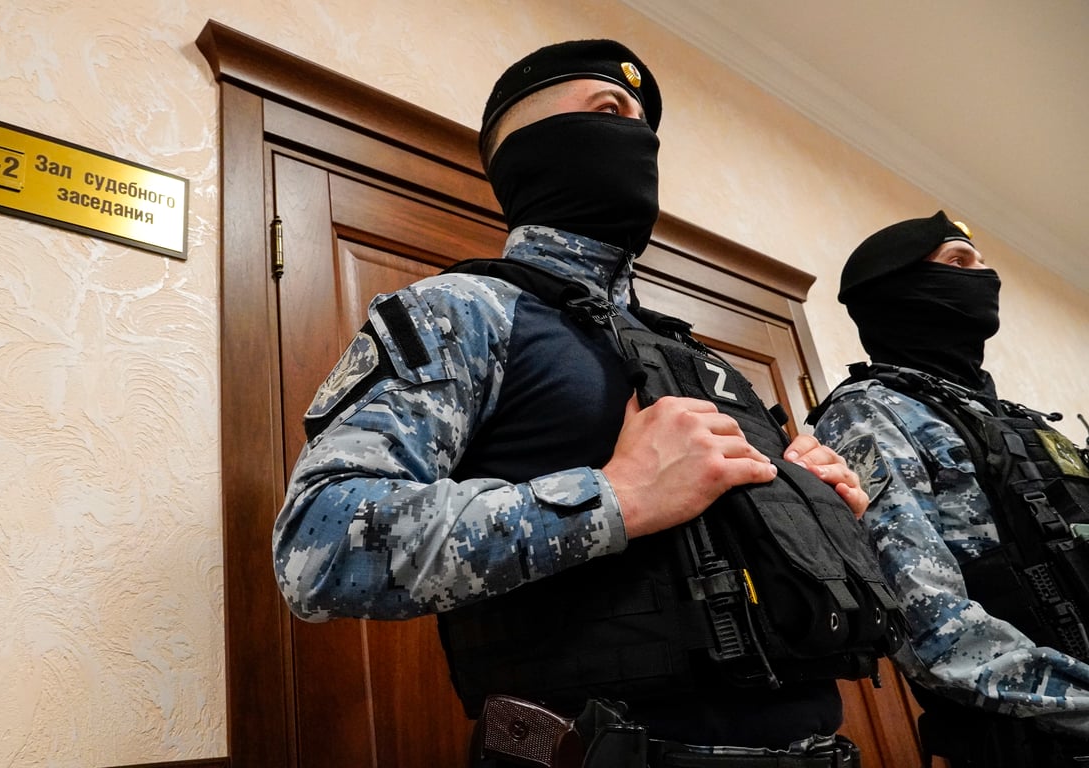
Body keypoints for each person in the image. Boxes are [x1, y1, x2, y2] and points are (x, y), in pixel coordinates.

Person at [275, 38, 872, 766]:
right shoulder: (463, 310)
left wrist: (815, 507)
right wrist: (615, 497)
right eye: (609, 109)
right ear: (520, 144)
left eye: (645, 125)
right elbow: (317, 551)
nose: (637, 136)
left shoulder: (703, 363)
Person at [811, 211, 1089, 767]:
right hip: (1032, 745)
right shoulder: (867, 413)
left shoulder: (1015, 419)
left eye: (983, 263)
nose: (986, 278)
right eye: (959, 262)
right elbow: (932, 629)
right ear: (901, 291)